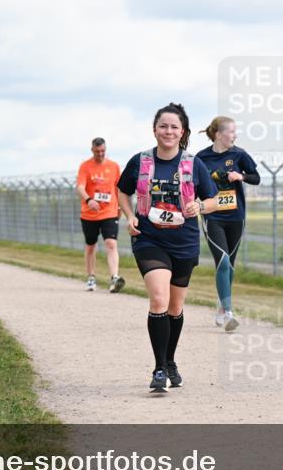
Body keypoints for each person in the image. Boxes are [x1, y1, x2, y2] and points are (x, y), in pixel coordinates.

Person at [117, 103, 218, 392]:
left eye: (174, 127)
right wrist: (130, 215)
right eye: (163, 126)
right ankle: (159, 369)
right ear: (155, 130)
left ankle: (170, 360)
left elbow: (213, 200)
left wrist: (199, 204)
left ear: (182, 132)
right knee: (159, 300)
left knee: (175, 307)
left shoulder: (193, 163)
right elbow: (122, 191)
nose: (168, 131)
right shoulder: (140, 161)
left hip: (184, 242)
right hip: (149, 239)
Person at [196, 116, 260, 331]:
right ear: (218, 134)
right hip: (212, 216)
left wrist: (240, 176)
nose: (235, 135)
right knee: (222, 262)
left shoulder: (239, 154)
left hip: (236, 216)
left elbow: (256, 177)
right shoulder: (201, 158)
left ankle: (222, 305)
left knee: (229, 265)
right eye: (231, 131)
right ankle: (230, 312)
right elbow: (192, 185)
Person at [76, 137, 125, 293]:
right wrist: (88, 199)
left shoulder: (114, 167)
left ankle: (114, 278)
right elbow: (80, 187)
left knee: (111, 243)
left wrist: (121, 208)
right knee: (91, 246)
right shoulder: (85, 166)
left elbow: (120, 189)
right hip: (89, 213)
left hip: (109, 212)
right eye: (97, 152)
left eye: (103, 151)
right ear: (92, 150)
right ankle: (91, 277)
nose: (100, 154)